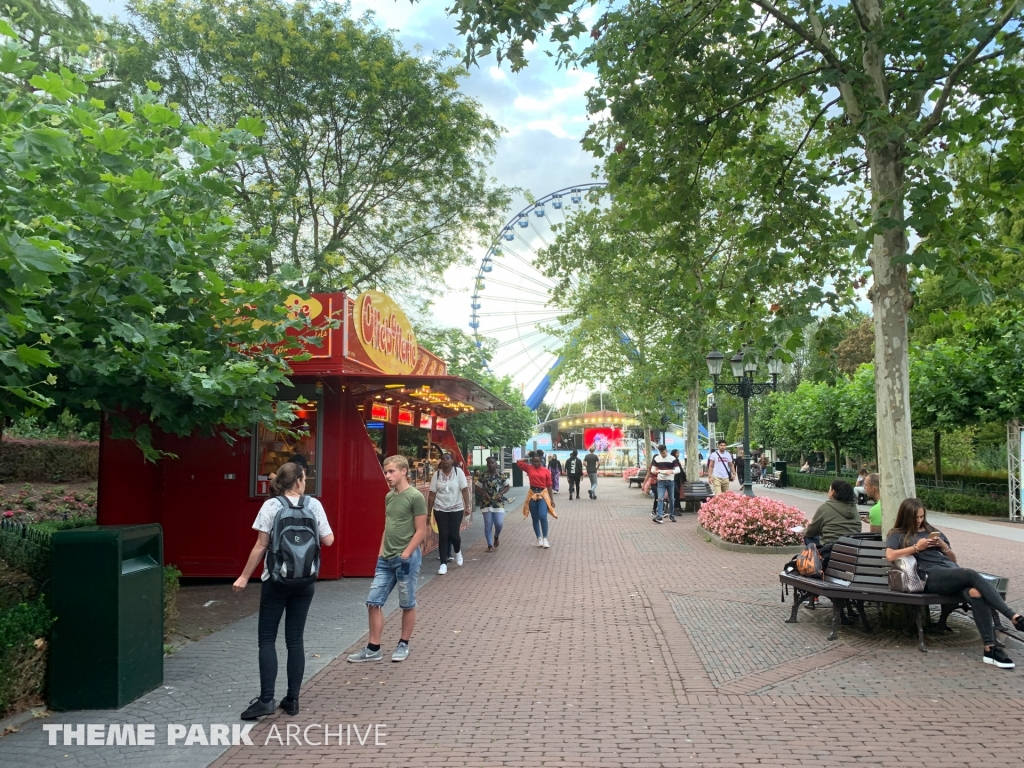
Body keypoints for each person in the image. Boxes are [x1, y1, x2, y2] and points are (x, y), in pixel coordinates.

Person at [234, 462, 335, 719]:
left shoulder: (271, 506)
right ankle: (292, 700)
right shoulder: (314, 505)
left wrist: (244, 577)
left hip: (275, 581)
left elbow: (260, 546)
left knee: (267, 639)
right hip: (305, 581)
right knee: (295, 640)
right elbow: (329, 540)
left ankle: (266, 700)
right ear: (299, 480)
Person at [884, 497, 1024, 669]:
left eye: (921, 517)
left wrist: (943, 545)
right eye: (915, 517)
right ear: (906, 517)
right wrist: (917, 548)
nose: (919, 520)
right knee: (971, 574)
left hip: (949, 571)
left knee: (976, 593)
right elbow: (890, 556)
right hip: (930, 576)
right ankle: (1013, 617)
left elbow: (953, 560)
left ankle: (990, 649)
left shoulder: (932, 531)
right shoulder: (896, 534)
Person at [348, 455, 428, 664]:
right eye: (386, 472)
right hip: (386, 558)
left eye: (391, 471)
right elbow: (388, 524)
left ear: (404, 471)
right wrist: (380, 552)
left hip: (405, 558)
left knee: (407, 603)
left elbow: (421, 530)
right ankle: (373, 648)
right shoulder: (389, 497)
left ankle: (403, 644)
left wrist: (406, 553)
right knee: (373, 601)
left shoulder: (416, 496)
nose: (387, 476)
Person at [426, 451, 471, 575]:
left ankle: (457, 551)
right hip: (440, 509)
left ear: (452, 460)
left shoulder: (458, 472)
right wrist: (429, 513)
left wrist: (467, 506)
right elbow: (431, 495)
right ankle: (443, 563)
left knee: (454, 534)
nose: (445, 461)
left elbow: (465, 490)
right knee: (443, 535)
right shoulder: (437, 474)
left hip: (456, 508)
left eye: (447, 458)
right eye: (443, 459)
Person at [803, 479, 861, 567]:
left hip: (829, 550)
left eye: (829, 489)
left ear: (833, 492)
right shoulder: (854, 509)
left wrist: (803, 530)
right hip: (851, 549)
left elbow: (811, 531)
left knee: (809, 537)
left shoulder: (825, 508)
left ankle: (814, 563)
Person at [517, 451, 555, 548]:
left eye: (538, 462)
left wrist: (552, 499)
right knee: (535, 518)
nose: (536, 464)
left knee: (543, 516)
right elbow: (518, 462)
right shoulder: (529, 468)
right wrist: (529, 458)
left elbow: (549, 485)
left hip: (543, 494)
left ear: (542, 461)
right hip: (532, 494)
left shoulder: (546, 471)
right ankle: (539, 538)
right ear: (532, 461)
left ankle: (545, 538)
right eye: (534, 462)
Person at [475, 456, 509, 553]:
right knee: (488, 524)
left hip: (498, 502)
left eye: (492, 463)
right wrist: (484, 493)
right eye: (489, 463)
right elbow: (477, 487)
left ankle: (496, 536)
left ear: (496, 463)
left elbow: (507, 486)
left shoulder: (501, 475)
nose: (490, 464)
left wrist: (500, 494)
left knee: (499, 523)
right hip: (486, 502)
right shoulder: (483, 475)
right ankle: (489, 544)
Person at [649, 445, 681, 523]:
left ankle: (671, 515)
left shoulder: (672, 459)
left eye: (663, 453)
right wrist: (654, 471)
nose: (662, 455)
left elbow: (678, 469)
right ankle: (659, 516)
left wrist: (671, 471)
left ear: (666, 450)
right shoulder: (657, 458)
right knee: (660, 498)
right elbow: (652, 468)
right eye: (661, 453)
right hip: (661, 481)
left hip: (670, 480)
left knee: (672, 499)